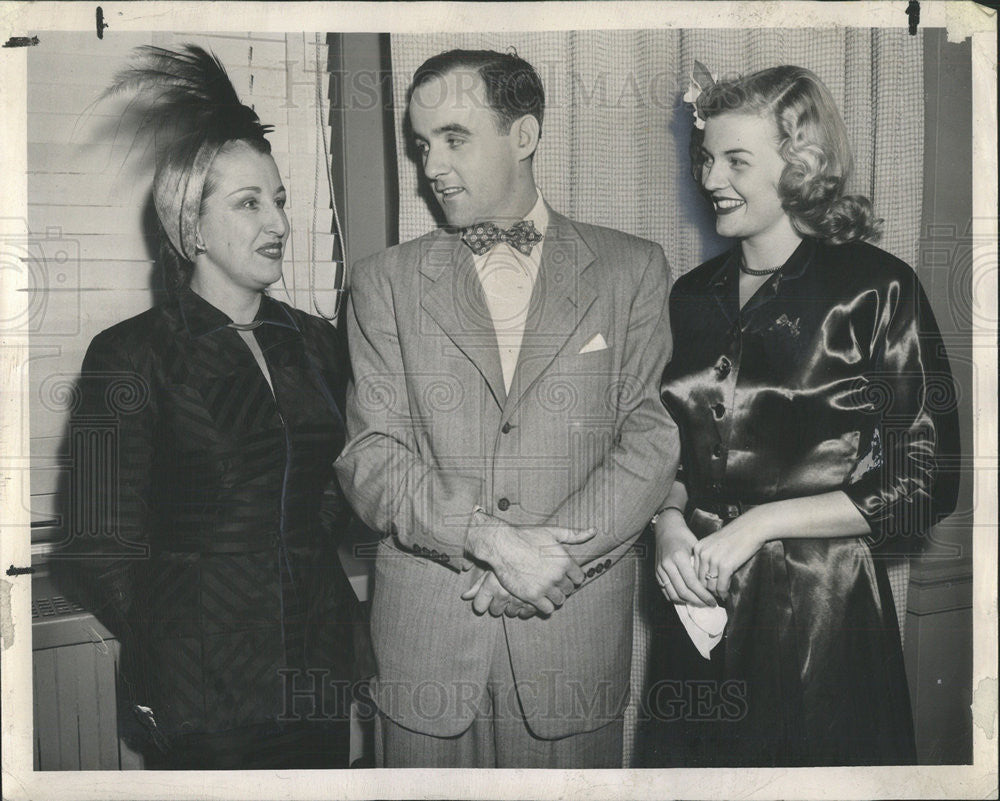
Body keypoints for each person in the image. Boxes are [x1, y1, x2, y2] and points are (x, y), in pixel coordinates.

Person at [335, 49, 679, 768]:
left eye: (455, 137)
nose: (431, 166)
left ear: (523, 136)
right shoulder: (382, 284)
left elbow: (647, 439)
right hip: (426, 648)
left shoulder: (632, 268)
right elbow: (371, 461)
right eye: (423, 144)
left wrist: (549, 561)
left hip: (570, 637)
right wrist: (494, 540)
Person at [54, 45, 368, 769]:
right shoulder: (132, 354)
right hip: (203, 691)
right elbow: (96, 541)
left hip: (315, 670)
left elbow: (332, 488)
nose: (279, 222)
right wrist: (180, 624)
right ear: (190, 228)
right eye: (249, 203)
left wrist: (293, 566)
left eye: (281, 198)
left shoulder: (316, 342)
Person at [644, 65, 961, 766]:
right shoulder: (687, 297)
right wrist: (666, 522)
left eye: (735, 161)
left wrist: (760, 523)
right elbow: (663, 447)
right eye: (705, 158)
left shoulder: (877, 288)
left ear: (801, 164)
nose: (709, 177)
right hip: (697, 602)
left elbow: (926, 481)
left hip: (824, 612)